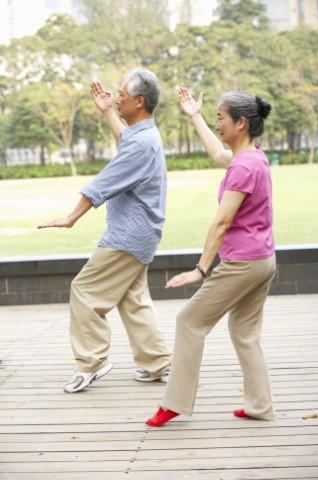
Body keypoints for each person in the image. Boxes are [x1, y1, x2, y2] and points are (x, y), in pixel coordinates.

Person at [146, 87, 276, 427]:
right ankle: (260, 405)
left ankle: (174, 403)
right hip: (264, 260)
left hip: (243, 264)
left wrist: (200, 270)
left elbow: (221, 222)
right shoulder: (254, 158)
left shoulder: (244, 167)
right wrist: (195, 116)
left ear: (241, 123)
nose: (218, 124)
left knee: (189, 321)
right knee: (244, 331)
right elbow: (219, 154)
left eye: (221, 118)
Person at [38, 68, 171, 393]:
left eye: (121, 95)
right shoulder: (144, 135)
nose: (116, 97)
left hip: (127, 235)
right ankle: (156, 363)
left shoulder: (142, 144)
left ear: (139, 101)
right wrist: (107, 111)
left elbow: (103, 183)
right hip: (141, 234)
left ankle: (92, 362)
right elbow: (127, 140)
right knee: (133, 298)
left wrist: (71, 217)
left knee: (84, 291)